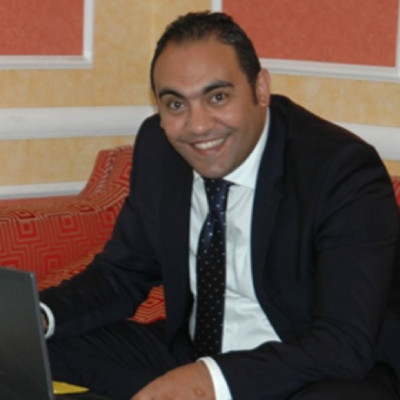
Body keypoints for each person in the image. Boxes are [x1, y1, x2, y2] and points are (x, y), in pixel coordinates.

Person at [40, 11, 400, 400]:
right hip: (194, 353)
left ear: (261, 89)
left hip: (308, 370)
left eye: (217, 97)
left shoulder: (341, 171)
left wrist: (209, 381)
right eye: (175, 104)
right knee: (31, 354)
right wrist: (36, 318)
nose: (198, 126)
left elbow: (343, 343)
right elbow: (122, 274)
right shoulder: (161, 150)